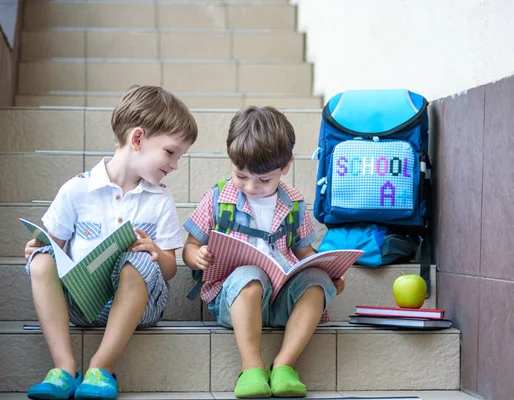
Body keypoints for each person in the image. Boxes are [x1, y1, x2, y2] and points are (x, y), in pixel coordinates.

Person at [24, 85, 198, 400]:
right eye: (171, 152)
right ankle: (63, 369)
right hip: (80, 305)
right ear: (137, 139)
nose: (174, 165)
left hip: (140, 306)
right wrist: (38, 248)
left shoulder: (160, 200)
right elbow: (53, 245)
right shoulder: (77, 190)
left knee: (140, 259)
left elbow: (171, 269)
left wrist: (155, 252)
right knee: (42, 260)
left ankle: (101, 368)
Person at [182, 106, 345, 398]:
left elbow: (304, 251)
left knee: (316, 282)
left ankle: (284, 366)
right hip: (236, 300)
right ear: (231, 160)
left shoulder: (294, 203)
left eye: (264, 180)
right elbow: (190, 246)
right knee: (250, 275)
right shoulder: (219, 198)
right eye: (240, 175)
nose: (251, 186)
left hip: (281, 299)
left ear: (286, 166)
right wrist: (196, 256)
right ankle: (252, 368)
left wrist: (329, 272)